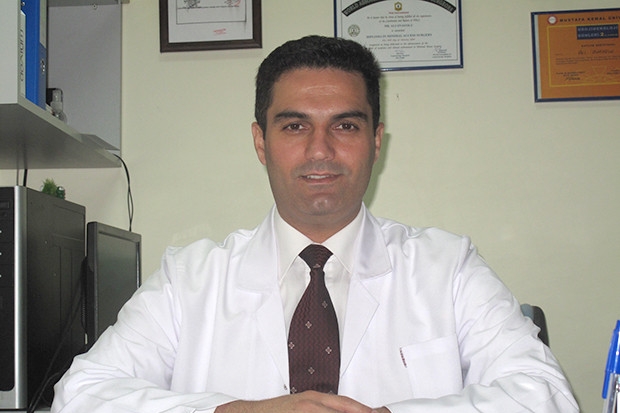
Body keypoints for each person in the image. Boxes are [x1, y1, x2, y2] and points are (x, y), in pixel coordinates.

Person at [51, 35, 579, 413]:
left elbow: (545, 394)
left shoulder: (448, 267)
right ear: (261, 142)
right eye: (294, 126)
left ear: (376, 142)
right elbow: (81, 396)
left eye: (345, 125)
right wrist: (231, 412)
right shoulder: (189, 278)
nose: (320, 150)